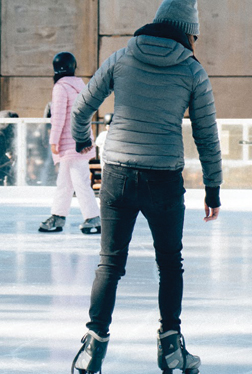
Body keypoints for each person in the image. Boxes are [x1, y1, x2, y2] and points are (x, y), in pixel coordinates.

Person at [68, 0, 222, 372]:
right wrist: (212, 188)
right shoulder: (192, 70)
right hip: (163, 178)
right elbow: (206, 134)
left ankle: (92, 348)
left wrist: (82, 140)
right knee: (169, 263)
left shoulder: (122, 57)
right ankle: (171, 349)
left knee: (109, 263)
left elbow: (82, 107)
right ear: (189, 32)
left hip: (118, 174)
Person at [38, 52, 101, 234]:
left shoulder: (61, 87)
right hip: (80, 141)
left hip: (69, 144)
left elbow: (58, 117)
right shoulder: (81, 86)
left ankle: (93, 218)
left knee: (80, 181)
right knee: (65, 182)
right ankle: (58, 216)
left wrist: (53, 141)